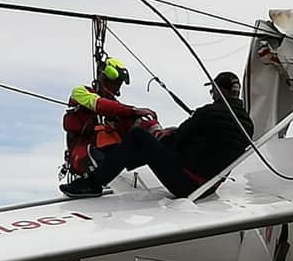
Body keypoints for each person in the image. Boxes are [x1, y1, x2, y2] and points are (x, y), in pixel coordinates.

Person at [60, 71, 255, 199]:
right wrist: (172, 133)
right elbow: (212, 142)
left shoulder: (208, 113)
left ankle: (94, 183)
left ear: (219, 90)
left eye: (213, 89)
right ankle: (114, 162)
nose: (212, 93)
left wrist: (164, 134)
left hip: (187, 185)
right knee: (155, 140)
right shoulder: (247, 124)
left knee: (138, 136)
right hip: (210, 186)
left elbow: (180, 140)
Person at [61, 57, 157, 179]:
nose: (115, 87)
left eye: (118, 84)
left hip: (109, 158)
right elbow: (98, 104)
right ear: (103, 77)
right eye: (114, 82)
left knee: (139, 130)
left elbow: (133, 124)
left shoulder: (118, 110)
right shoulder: (80, 92)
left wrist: (155, 130)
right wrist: (132, 110)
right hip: (85, 156)